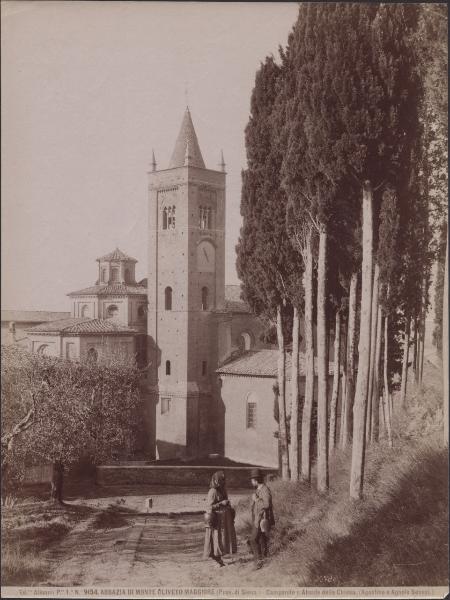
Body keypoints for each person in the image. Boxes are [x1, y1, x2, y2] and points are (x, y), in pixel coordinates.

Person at [203, 470, 237, 565]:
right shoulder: (212, 491)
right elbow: (209, 507)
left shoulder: (223, 490)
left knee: (223, 538)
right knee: (216, 538)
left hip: (224, 519)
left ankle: (220, 558)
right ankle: (216, 558)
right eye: (220, 480)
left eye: (223, 480)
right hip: (217, 519)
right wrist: (221, 503)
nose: (222, 482)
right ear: (216, 480)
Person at [249, 467, 275, 569]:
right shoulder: (259, 489)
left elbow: (267, 504)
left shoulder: (265, 490)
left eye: (252, 480)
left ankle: (258, 561)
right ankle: (265, 558)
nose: (251, 482)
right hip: (257, 519)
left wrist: (256, 500)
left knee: (253, 540)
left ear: (256, 480)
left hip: (261, 520)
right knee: (261, 539)